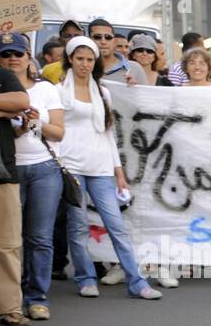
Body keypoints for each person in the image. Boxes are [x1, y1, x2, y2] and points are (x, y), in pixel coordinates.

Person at [57, 37, 160, 300]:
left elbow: (108, 133)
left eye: (90, 59)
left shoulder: (103, 92)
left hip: (101, 166)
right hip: (71, 167)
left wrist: (120, 173)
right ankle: (86, 277)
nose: (85, 64)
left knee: (116, 225)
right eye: (80, 58)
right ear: (70, 59)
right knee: (78, 227)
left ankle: (136, 281)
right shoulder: (57, 91)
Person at [0, 33, 65, 322]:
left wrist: (34, 124)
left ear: (29, 57)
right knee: (6, 239)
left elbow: (59, 133)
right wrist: (20, 129)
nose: (13, 59)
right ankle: (3, 297)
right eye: (6, 54)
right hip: (6, 169)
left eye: (18, 53)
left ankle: (37, 297)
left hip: (43, 169)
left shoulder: (46, 89)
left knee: (39, 237)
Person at [0, 34, 33, 326]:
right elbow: (13, 107)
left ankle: (10, 308)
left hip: (1, 169)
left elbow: (21, 102)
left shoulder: (0, 74)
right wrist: (2, 110)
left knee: (6, 242)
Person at [87, 18, 145, 86]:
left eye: (108, 37)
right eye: (97, 37)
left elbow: (146, 95)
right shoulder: (82, 67)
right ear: (88, 39)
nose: (103, 42)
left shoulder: (135, 68)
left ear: (114, 41)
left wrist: (136, 89)